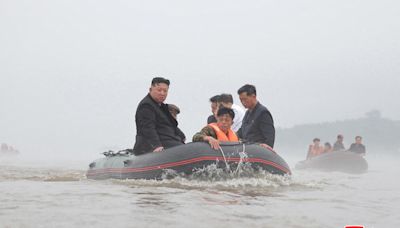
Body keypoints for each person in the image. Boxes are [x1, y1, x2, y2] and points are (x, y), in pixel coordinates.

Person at [133, 77, 186, 155]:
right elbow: (148, 128)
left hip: (171, 141)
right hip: (155, 145)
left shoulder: (162, 107)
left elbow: (171, 125)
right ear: (150, 89)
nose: (162, 93)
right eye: (159, 90)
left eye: (165, 91)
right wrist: (156, 145)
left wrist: (181, 136)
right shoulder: (146, 106)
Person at [236, 84, 275, 150]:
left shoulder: (263, 113)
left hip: (258, 151)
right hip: (247, 149)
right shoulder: (247, 113)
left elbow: (269, 137)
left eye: (245, 99)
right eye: (241, 100)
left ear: (253, 96)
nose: (243, 102)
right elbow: (241, 132)